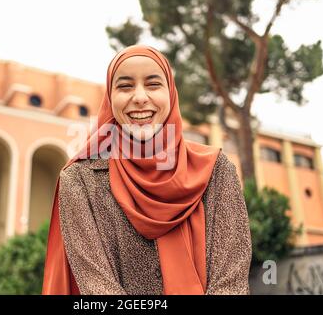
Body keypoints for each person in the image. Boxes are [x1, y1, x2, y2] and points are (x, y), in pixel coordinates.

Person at [42, 45, 252, 295]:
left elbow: (231, 280)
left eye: (153, 84)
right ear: (109, 99)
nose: (140, 97)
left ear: (171, 94)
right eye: (125, 86)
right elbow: (96, 285)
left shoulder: (215, 169)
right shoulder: (79, 180)